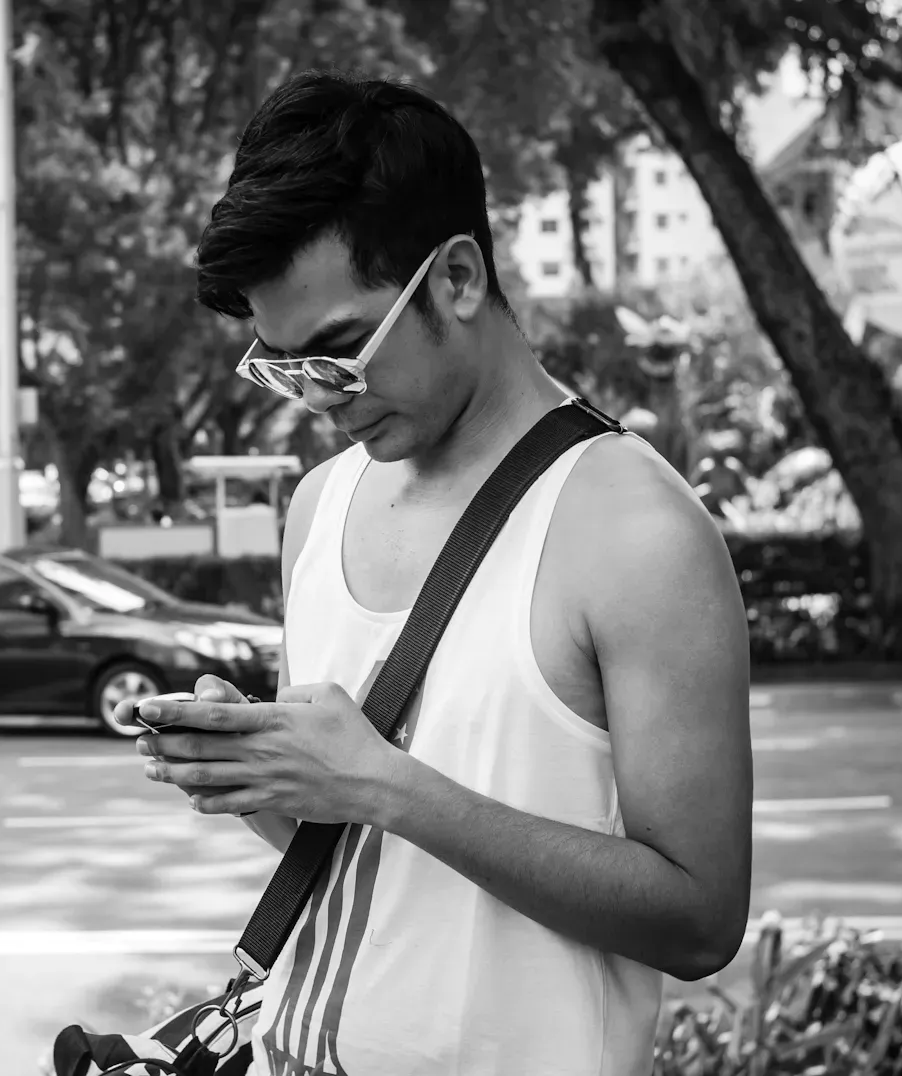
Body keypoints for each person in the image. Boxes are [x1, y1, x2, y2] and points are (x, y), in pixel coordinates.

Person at [114, 71, 752, 1076]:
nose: (316, 400)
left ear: (456, 278)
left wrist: (388, 786)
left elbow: (698, 916)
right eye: (280, 367)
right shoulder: (319, 505)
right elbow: (367, 859)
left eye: (334, 352)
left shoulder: (634, 529)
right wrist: (262, 777)